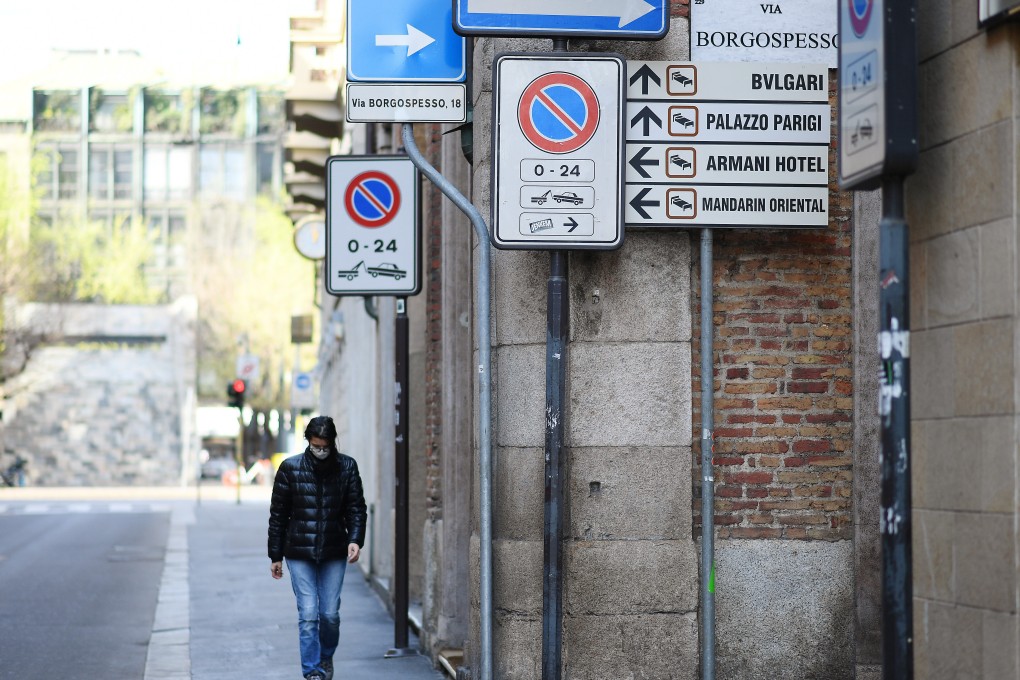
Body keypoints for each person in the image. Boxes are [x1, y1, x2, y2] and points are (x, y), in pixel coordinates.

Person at [268, 416, 368, 680]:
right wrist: (275, 555)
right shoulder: (290, 469)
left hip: (334, 550)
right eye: (316, 446)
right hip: (299, 551)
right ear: (308, 442)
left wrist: (355, 540)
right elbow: (278, 515)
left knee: (330, 614)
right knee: (309, 613)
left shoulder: (347, 467)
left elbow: (356, 508)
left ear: (333, 443)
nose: (321, 451)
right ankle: (312, 670)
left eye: (325, 446)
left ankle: (325, 656)